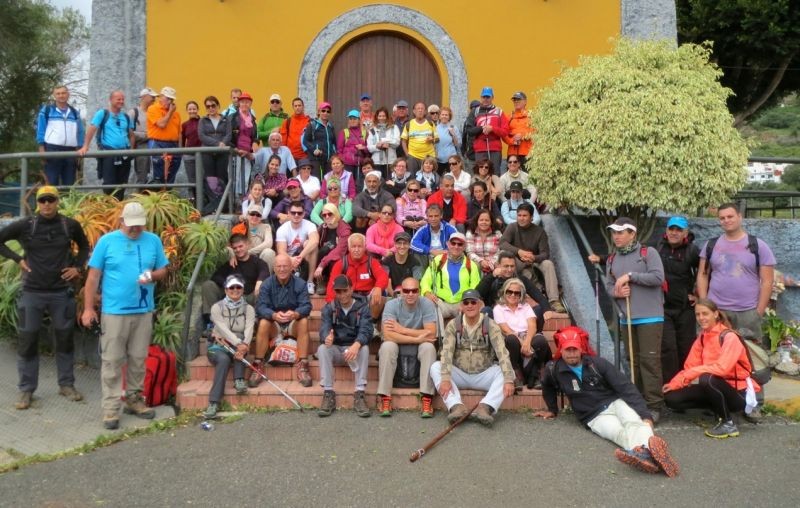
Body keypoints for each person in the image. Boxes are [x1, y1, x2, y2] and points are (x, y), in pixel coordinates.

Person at [534, 327, 680, 477]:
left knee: (634, 422)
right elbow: (547, 385)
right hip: (593, 416)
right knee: (617, 433)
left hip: (614, 402)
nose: (571, 353)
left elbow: (625, 387)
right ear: (561, 350)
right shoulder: (554, 369)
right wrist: (552, 409)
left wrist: (645, 414)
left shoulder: (597, 364)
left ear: (581, 349)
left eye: (574, 349)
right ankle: (649, 451)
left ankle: (645, 453)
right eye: (567, 349)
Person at [81, 202, 169, 429]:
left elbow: (163, 270)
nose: (135, 230)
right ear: (121, 221)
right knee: (112, 360)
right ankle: (111, 409)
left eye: (139, 226)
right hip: (114, 312)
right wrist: (89, 308)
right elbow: (92, 278)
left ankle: (134, 399)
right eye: (131, 226)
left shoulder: (153, 241)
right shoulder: (107, 242)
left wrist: (152, 275)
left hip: (143, 310)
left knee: (139, 358)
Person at [0, 186, 89, 410]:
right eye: (42, 200)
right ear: (37, 203)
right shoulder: (26, 225)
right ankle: (27, 390)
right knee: (27, 340)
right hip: (32, 292)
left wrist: (77, 267)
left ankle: (66, 384)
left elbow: (85, 246)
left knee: (65, 338)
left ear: (57, 201)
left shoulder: (69, 225)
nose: (47, 204)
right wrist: (18, 259)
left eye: (51, 200)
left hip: (61, 292)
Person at [664, 298, 762, 439]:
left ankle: (728, 424)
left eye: (705, 314)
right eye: (698, 315)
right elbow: (690, 367)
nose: (701, 318)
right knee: (672, 398)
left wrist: (695, 372)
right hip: (716, 386)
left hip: (739, 393)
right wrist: (675, 384)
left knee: (707, 378)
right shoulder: (703, 338)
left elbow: (722, 369)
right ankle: (717, 408)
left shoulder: (729, 336)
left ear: (716, 314)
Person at [605, 217, 666, 421]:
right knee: (633, 361)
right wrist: (617, 293)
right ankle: (638, 402)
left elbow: (658, 277)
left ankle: (654, 405)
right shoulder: (612, 258)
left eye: (621, 232)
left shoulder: (648, 253)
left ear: (632, 234)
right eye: (614, 232)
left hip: (650, 317)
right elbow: (609, 285)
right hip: (627, 318)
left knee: (649, 362)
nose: (616, 236)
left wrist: (631, 276)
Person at [430, 289, 515, 426]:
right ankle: (456, 406)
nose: (470, 305)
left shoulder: (490, 325)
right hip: (459, 373)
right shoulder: (454, 325)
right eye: (466, 302)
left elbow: (502, 352)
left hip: (483, 373)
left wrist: (509, 379)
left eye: (473, 302)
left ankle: (485, 407)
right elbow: (446, 352)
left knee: (506, 373)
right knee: (435, 367)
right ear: (461, 306)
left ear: (480, 304)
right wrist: (445, 378)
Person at [696, 202, 776, 338]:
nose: (726, 220)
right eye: (722, 218)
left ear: (740, 216)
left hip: (747, 313)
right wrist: (705, 305)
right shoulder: (711, 245)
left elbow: (767, 281)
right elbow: (702, 275)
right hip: (716, 311)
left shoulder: (758, 246)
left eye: (730, 216)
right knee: (713, 353)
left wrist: (758, 312)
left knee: (747, 354)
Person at [377, 277, 438, 418]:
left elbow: (431, 333)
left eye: (414, 290)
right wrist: (416, 338)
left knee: (429, 348)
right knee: (387, 346)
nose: (410, 294)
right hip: (398, 345)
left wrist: (401, 329)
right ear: (401, 292)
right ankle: (385, 396)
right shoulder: (392, 305)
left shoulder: (427, 304)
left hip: (418, 346)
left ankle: (427, 397)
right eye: (406, 291)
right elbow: (387, 335)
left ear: (419, 292)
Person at [252, 254, 313, 388]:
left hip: (293, 322)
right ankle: (258, 363)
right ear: (274, 268)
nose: (282, 269)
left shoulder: (301, 284)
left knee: (303, 321)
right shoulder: (267, 284)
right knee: (263, 322)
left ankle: (303, 365)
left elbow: (307, 306)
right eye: (279, 266)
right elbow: (261, 307)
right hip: (275, 323)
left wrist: (296, 313)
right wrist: (273, 315)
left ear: (292, 267)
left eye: (285, 266)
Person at [317, 275, 374, 417]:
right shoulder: (329, 308)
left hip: (354, 349)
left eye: (344, 290)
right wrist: (326, 337)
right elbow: (324, 327)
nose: (341, 295)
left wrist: (357, 343)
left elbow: (367, 330)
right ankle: (328, 393)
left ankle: (360, 393)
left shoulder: (362, 308)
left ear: (351, 289)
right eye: (338, 292)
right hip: (337, 349)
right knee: (322, 349)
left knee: (365, 348)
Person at [654, 216, 700, 380]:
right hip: (663, 307)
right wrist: (603, 259)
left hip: (685, 308)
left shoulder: (693, 251)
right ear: (666, 231)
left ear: (685, 232)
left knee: (686, 347)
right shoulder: (658, 248)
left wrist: (697, 294)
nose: (674, 233)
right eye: (671, 229)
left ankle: (685, 382)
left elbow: (705, 273)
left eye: (678, 230)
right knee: (667, 348)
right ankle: (671, 386)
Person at [203, 275, 254, 418]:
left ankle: (239, 380)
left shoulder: (248, 308)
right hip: (219, 346)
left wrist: (244, 345)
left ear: (243, 289)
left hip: (239, 345)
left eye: (238, 287)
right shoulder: (216, 307)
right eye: (231, 287)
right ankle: (214, 402)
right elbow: (222, 329)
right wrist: (239, 344)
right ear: (226, 289)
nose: (235, 290)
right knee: (224, 360)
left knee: (241, 351)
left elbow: (249, 328)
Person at [499, 203, 565, 312]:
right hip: (517, 263)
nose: (521, 218)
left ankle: (554, 300)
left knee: (548, 263)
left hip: (533, 262)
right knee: (505, 254)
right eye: (519, 215)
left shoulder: (539, 232)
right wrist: (519, 252)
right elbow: (502, 243)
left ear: (531, 217)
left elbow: (545, 253)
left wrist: (533, 257)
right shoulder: (512, 227)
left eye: (525, 216)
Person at [201, 233, 269, 330]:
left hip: (248, 296)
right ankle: (212, 321)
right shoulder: (231, 263)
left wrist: (259, 281)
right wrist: (227, 285)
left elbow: (264, 271)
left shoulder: (257, 262)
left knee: (263, 288)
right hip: (230, 296)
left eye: (240, 246)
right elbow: (216, 276)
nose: (238, 250)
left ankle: (255, 321)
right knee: (208, 285)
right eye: (235, 248)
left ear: (248, 245)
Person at [492, 278, 551, 390]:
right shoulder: (498, 308)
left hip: (526, 336)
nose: (513, 295)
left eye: (517, 293)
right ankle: (516, 372)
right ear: (504, 292)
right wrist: (522, 342)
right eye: (509, 292)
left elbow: (532, 325)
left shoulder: (525, 306)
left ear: (521, 295)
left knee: (540, 341)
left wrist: (527, 342)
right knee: (511, 339)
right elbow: (505, 329)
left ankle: (538, 371)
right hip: (510, 339)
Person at [476, 251, 554, 333]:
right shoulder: (491, 278)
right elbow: (477, 294)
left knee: (538, 309)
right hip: (497, 315)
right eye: (506, 266)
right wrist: (492, 276)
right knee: (486, 311)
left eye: (512, 266)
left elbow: (538, 295)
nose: (509, 270)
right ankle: (490, 341)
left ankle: (536, 338)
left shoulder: (521, 279)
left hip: (518, 315)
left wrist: (547, 309)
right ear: (498, 265)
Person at [420, 232, 482, 334]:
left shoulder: (471, 265)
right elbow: (426, 280)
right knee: (430, 305)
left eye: (460, 244)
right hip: (440, 302)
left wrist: (466, 303)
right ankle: (441, 340)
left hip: (462, 303)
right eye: (453, 243)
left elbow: (474, 288)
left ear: (464, 247)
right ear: (448, 244)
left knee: (474, 307)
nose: (456, 246)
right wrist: (427, 292)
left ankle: (466, 342)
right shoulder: (438, 260)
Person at [78, 90, 135, 200]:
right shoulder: (103, 113)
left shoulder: (126, 117)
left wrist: (131, 150)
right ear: (111, 100)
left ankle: (118, 209)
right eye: (118, 99)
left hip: (124, 154)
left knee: (122, 183)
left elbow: (131, 135)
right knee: (109, 183)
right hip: (109, 153)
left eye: (123, 99)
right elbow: (92, 129)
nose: (121, 101)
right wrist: (85, 146)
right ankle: (109, 207)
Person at [326, 234, 388, 321]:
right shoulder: (341, 264)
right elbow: (332, 285)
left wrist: (378, 287)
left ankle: (372, 324)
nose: (356, 250)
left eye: (359, 246)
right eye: (353, 246)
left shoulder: (372, 262)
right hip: (348, 295)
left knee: (380, 295)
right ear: (349, 248)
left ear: (365, 247)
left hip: (367, 296)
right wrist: (331, 303)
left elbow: (383, 276)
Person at [36, 85, 84, 186]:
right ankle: (52, 202)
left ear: (68, 94)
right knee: (52, 182)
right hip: (52, 149)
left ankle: (67, 202)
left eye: (63, 93)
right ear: (54, 96)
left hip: (71, 150)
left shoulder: (75, 112)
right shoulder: (47, 110)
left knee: (69, 183)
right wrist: (41, 148)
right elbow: (41, 129)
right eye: (58, 93)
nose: (61, 96)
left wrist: (80, 147)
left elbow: (80, 131)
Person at [275, 200, 319, 294]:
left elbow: (315, 241)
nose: (296, 215)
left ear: (303, 214)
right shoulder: (282, 229)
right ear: (289, 214)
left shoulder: (310, 225)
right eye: (293, 212)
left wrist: (300, 257)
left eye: (299, 213)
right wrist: (291, 259)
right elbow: (281, 250)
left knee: (310, 244)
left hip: (303, 256)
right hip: (289, 258)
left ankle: (310, 282)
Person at [464, 87, 509, 174]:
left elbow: (505, 131)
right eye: (484, 97)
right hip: (480, 149)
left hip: (495, 149)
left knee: (495, 173)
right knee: (480, 174)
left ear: (492, 97)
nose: (485, 99)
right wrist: (481, 128)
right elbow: (469, 130)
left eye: (488, 97)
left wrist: (492, 129)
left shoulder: (499, 112)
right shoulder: (475, 112)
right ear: (481, 97)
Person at [312, 203, 351, 294]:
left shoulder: (344, 229)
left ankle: (332, 283)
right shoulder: (323, 227)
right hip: (323, 258)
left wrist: (322, 265)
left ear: (336, 213)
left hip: (340, 258)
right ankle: (320, 280)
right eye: (324, 215)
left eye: (330, 214)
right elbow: (314, 239)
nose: (327, 216)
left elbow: (340, 251)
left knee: (332, 259)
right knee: (321, 250)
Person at [146, 86, 182, 184]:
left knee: (171, 175)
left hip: (173, 145)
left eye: (172, 99)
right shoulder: (153, 109)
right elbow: (161, 124)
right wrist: (170, 112)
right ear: (161, 97)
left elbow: (179, 133)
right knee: (158, 176)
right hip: (158, 143)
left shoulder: (177, 114)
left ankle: (168, 195)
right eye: (168, 98)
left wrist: (180, 149)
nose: (170, 102)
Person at [229, 91, 259, 196]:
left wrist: (255, 142)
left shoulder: (253, 119)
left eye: (247, 102)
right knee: (234, 178)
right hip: (236, 152)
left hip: (247, 153)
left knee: (245, 178)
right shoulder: (232, 117)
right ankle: (233, 201)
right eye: (242, 102)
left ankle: (242, 199)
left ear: (250, 104)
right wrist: (235, 149)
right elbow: (228, 136)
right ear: (239, 103)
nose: (244, 104)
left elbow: (255, 135)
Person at [197, 96, 231, 185]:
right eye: (208, 106)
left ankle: (223, 198)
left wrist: (223, 143)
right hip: (207, 153)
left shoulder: (225, 120)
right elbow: (202, 136)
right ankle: (212, 198)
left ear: (218, 106)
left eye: (213, 105)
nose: (211, 108)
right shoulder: (202, 120)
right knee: (210, 177)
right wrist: (218, 143)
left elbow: (228, 134)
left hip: (222, 152)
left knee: (222, 176)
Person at [235, 204, 276, 272]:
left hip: (260, 256)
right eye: (252, 214)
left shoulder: (266, 227)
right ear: (248, 215)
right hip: (244, 257)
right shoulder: (240, 227)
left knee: (269, 252)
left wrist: (250, 252)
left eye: (258, 215)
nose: (255, 217)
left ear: (261, 217)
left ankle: (266, 280)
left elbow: (268, 243)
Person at [129, 87, 157, 185]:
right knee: (142, 176)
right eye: (152, 97)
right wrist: (147, 135)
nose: (154, 99)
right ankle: (140, 198)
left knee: (155, 177)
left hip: (155, 147)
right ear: (144, 97)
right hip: (141, 148)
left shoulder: (154, 112)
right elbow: (128, 133)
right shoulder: (133, 113)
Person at [381, 232, 424, 296]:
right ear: (395, 244)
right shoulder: (386, 261)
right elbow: (387, 283)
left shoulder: (415, 262)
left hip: (409, 294)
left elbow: (416, 283)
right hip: (391, 294)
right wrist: (394, 296)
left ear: (409, 245)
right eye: (399, 243)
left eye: (405, 243)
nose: (402, 246)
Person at [401, 102, 438, 174]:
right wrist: (407, 154)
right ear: (414, 111)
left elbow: (437, 139)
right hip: (413, 157)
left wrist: (432, 139)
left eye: (422, 109)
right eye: (418, 108)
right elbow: (403, 140)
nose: (420, 110)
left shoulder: (431, 123)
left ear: (425, 111)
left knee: (429, 178)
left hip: (429, 156)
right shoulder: (409, 124)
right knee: (413, 178)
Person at [302, 101, 336, 177]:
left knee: (328, 182)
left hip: (328, 160)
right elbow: (305, 141)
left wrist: (334, 154)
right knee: (317, 181)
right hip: (316, 159)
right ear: (319, 112)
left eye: (328, 111)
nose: (325, 113)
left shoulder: (331, 127)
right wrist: (314, 150)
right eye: (323, 111)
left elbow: (333, 143)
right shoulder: (312, 125)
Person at [367, 107, 400, 179]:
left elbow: (397, 142)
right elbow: (369, 147)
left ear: (387, 117)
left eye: (384, 116)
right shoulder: (372, 129)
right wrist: (377, 146)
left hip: (390, 161)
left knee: (390, 181)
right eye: (380, 116)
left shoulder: (394, 127)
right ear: (377, 117)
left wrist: (388, 143)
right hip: (377, 161)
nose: (382, 118)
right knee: (378, 181)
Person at [466, 209, 503, 274]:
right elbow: (469, 252)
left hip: (494, 264)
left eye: (487, 220)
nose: (484, 222)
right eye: (481, 220)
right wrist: (481, 261)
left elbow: (500, 251)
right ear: (477, 221)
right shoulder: (470, 233)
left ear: (491, 222)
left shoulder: (497, 233)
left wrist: (491, 263)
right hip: (476, 264)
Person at [503, 92, 534, 168]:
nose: (516, 102)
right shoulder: (509, 117)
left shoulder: (532, 116)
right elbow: (503, 134)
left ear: (525, 101)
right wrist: (512, 141)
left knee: (528, 178)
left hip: (528, 153)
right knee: (511, 178)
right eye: (514, 100)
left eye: (519, 99)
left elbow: (537, 132)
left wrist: (522, 136)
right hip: (512, 154)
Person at [337, 110, 369, 181]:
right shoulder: (344, 132)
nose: (352, 120)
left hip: (361, 164)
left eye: (354, 118)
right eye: (350, 119)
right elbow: (339, 150)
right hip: (347, 165)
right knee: (349, 184)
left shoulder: (364, 133)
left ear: (359, 120)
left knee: (360, 184)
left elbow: (369, 149)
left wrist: (363, 148)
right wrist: (343, 162)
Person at [280, 97, 311, 165]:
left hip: (305, 157)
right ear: (293, 107)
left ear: (303, 107)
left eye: (299, 105)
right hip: (290, 157)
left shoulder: (309, 121)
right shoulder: (287, 121)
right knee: (291, 176)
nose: (297, 107)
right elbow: (283, 140)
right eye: (295, 106)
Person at [180, 101, 202, 199]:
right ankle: (193, 201)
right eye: (190, 109)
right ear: (187, 111)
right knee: (191, 180)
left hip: (202, 154)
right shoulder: (184, 125)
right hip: (189, 155)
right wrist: (182, 152)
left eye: (194, 109)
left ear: (197, 110)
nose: (192, 111)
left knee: (202, 178)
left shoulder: (203, 122)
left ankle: (203, 201)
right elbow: (182, 140)